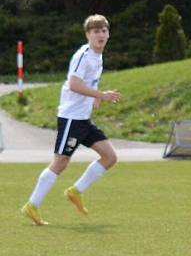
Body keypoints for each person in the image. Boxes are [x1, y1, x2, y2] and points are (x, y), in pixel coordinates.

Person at [20, 15, 121, 226]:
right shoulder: (83, 55)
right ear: (88, 35)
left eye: (103, 31)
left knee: (110, 157)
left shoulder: (98, 55)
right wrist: (101, 94)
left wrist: (95, 97)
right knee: (60, 163)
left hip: (84, 120)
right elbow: (74, 84)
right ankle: (32, 205)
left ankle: (75, 191)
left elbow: (87, 82)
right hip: (71, 119)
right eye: (95, 31)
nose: (100, 35)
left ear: (108, 33)